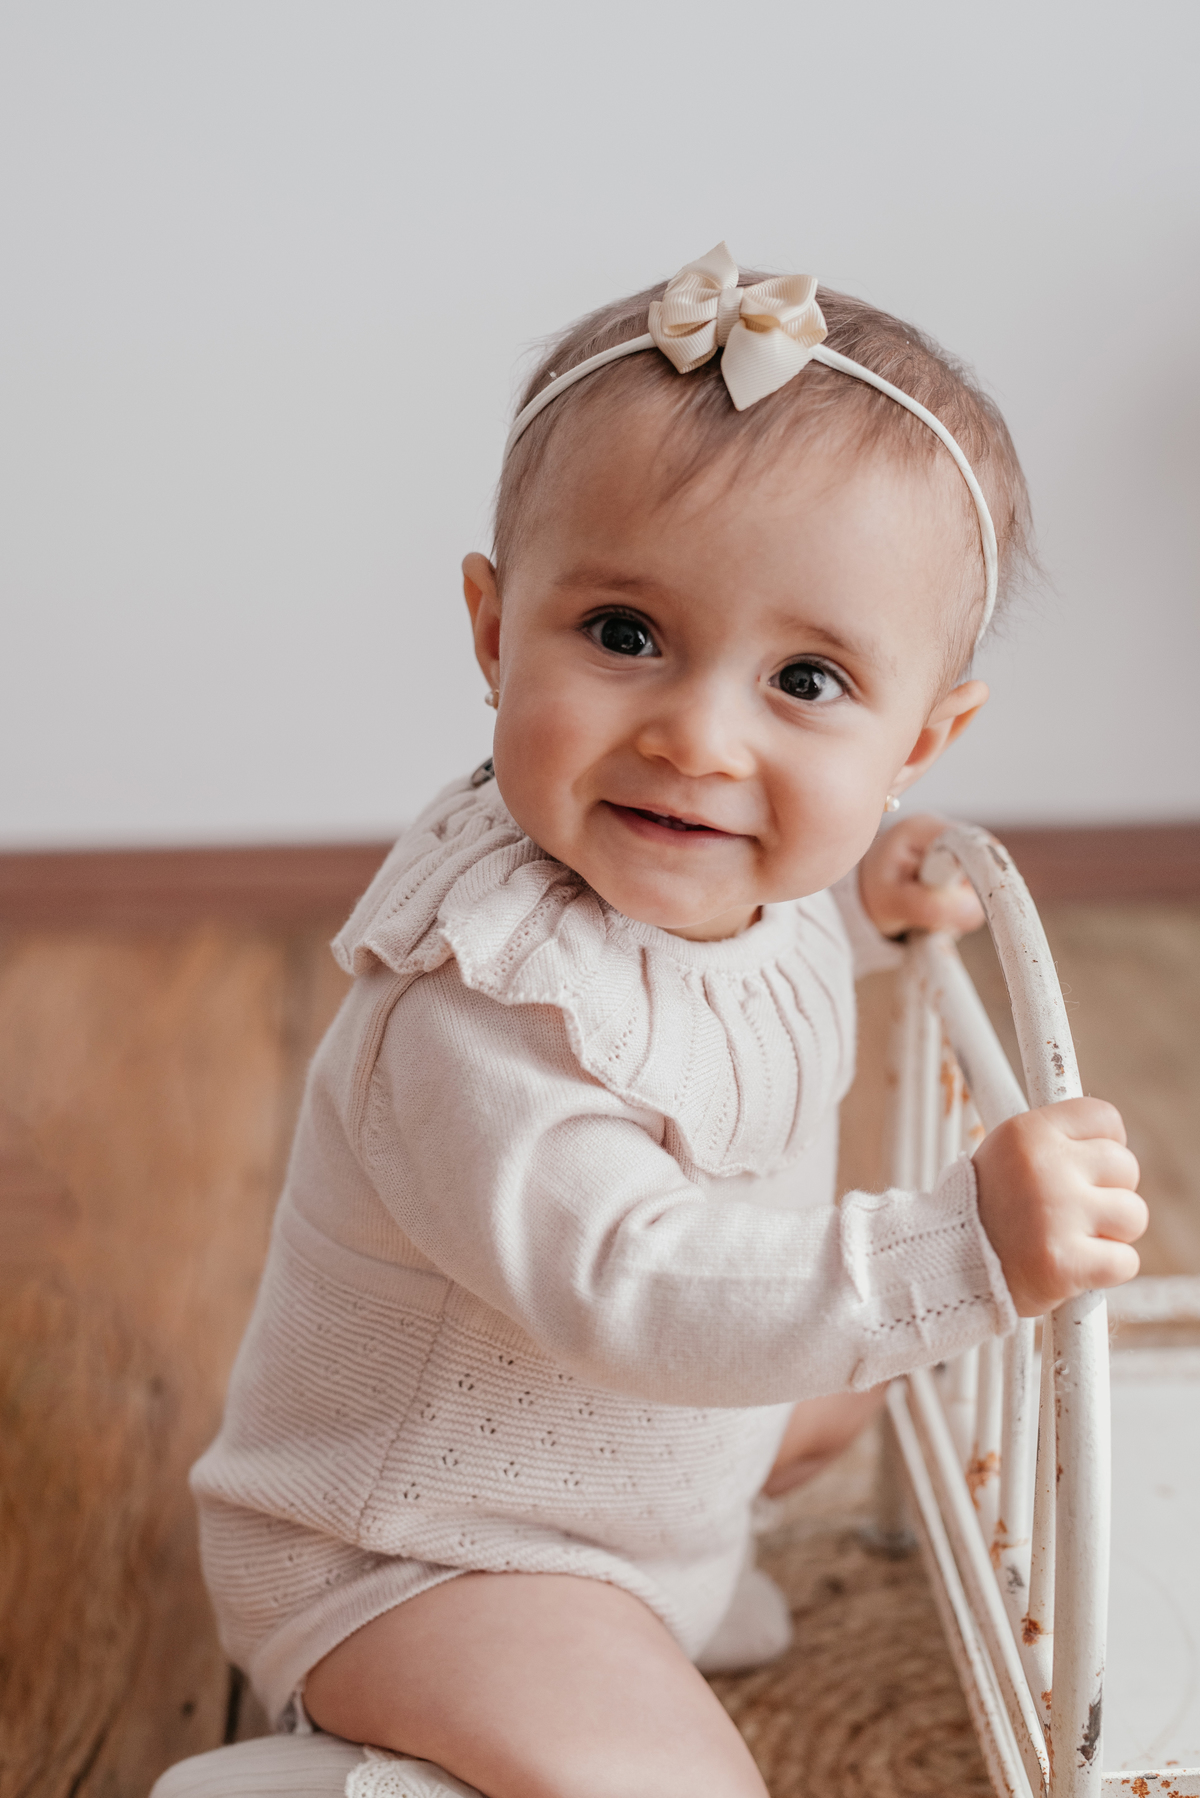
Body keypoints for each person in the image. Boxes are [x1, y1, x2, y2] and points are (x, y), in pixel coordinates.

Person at [166, 245, 1146, 1798]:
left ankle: (650, 1599)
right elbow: (634, 1280)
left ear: (921, 738)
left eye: (808, 678)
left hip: (618, 1482)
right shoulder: (479, 1014)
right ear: (495, 632)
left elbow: (713, 987)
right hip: (426, 1552)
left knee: (839, 1381)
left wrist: (863, 908)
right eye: (624, 633)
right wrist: (958, 1251)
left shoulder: (730, 886)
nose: (696, 734)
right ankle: (331, 1778)